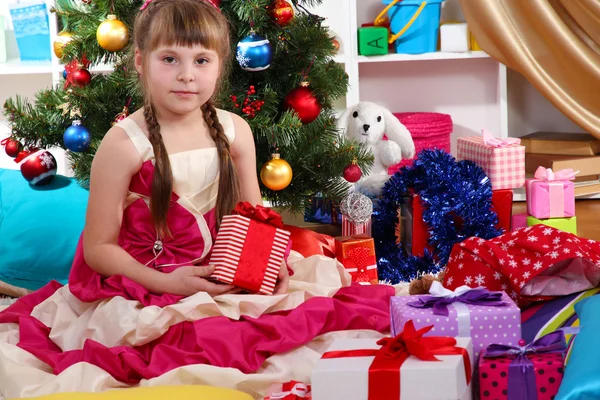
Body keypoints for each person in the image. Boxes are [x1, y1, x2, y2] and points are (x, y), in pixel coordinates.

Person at [0, 1, 393, 397]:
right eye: (170, 58)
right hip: (147, 283)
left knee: (301, 326)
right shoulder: (122, 145)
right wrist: (168, 281)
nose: (187, 76)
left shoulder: (235, 130)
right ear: (140, 60)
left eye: (202, 60)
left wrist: (268, 264)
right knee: (186, 351)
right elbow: (99, 248)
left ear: (220, 65)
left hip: (219, 274)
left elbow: (256, 217)